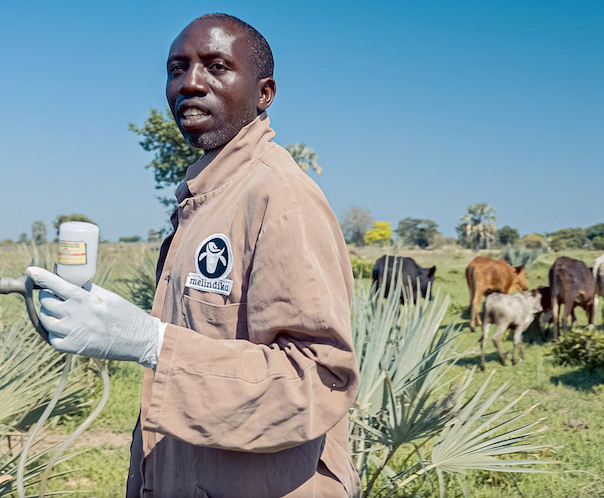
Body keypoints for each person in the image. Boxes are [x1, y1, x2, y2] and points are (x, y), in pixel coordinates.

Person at [26, 13, 361, 497]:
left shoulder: (278, 195)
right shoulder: (208, 196)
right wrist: (112, 322)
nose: (191, 83)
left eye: (217, 66)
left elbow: (315, 378)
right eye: (176, 68)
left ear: (264, 93)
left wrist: (152, 343)